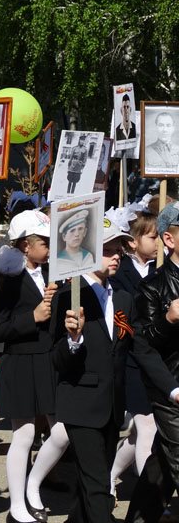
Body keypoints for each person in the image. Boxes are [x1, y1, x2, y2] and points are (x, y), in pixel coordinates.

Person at [51, 218, 177, 523]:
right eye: (107, 249)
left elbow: (141, 349)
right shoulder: (70, 296)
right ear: (87, 253)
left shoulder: (121, 298)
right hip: (80, 406)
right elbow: (56, 359)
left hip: (111, 406)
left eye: (118, 249)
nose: (116, 255)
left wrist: (172, 389)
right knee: (99, 491)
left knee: (88, 489)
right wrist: (73, 340)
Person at [0, 209, 69, 523]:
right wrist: (32, 318)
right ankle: (17, 506)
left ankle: (33, 484)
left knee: (62, 431)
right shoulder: (9, 279)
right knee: (22, 436)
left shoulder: (54, 273)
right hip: (21, 362)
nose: (50, 247)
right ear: (25, 245)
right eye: (44, 242)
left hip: (49, 361)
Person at [124, 204, 179, 522]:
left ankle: (140, 516)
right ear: (169, 239)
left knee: (161, 462)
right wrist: (169, 320)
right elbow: (144, 344)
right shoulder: (152, 287)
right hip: (170, 388)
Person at [108, 209, 159, 504]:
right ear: (133, 242)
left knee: (140, 433)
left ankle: (110, 474)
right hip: (130, 361)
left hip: (155, 359)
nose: (158, 244)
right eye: (151, 237)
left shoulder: (159, 271)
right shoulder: (120, 272)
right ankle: (149, 499)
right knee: (147, 426)